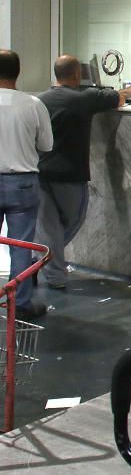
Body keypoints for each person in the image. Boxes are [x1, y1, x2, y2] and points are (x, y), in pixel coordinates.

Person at [35, 54, 129, 290]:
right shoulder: (84, 99)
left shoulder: (39, 100)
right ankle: (50, 271)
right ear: (78, 74)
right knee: (74, 219)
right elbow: (117, 98)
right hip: (70, 175)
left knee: (49, 227)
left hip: (40, 171)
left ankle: (37, 263)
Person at [0, 50, 53, 318]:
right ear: (17, 72)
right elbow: (46, 145)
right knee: (21, 245)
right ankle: (19, 304)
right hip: (22, 183)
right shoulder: (33, 104)